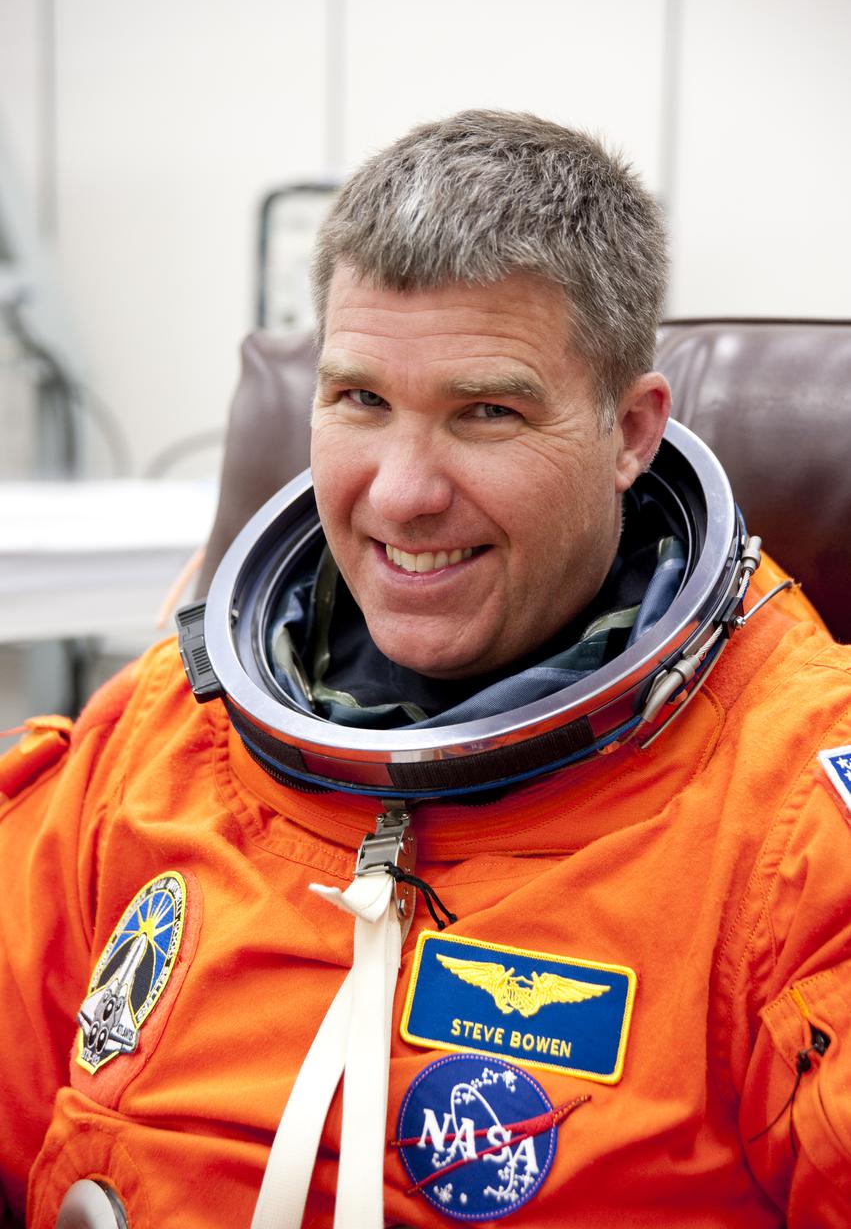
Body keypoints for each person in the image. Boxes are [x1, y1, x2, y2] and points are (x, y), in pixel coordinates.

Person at [1, 110, 850, 1229]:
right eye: (359, 398)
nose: (400, 492)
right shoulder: (163, 733)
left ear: (631, 432)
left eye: (485, 412)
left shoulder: (791, 826)